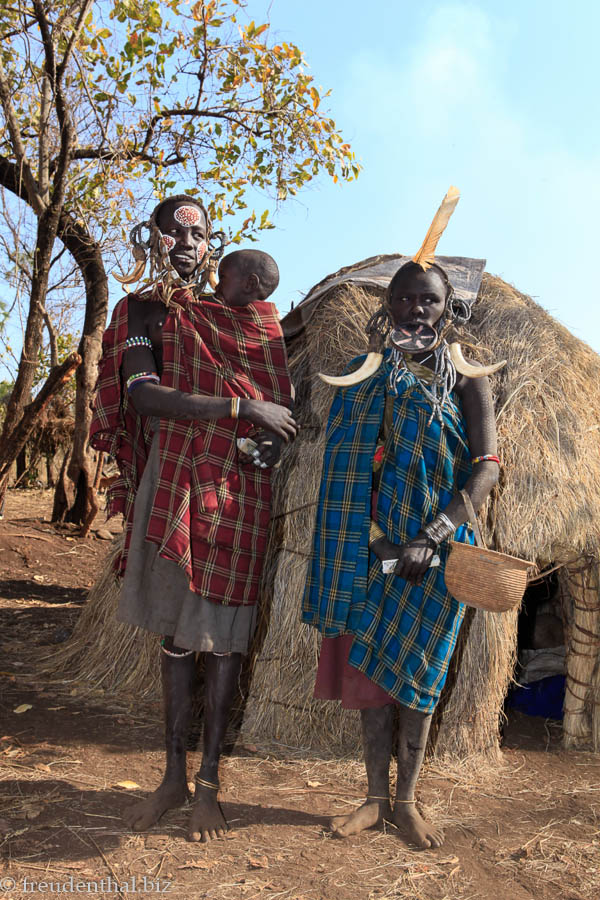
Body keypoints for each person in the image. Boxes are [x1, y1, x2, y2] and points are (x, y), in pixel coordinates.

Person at [90, 195, 296, 843]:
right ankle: (173, 777)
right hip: (176, 484)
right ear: (149, 236)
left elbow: (277, 398)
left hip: (241, 492)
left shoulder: (243, 316)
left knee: (228, 643)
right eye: (174, 231)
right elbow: (143, 395)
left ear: (214, 244)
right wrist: (240, 413)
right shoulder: (142, 309)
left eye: (200, 233)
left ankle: (208, 785)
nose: (188, 242)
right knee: (177, 642)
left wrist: (264, 428)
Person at [303, 192, 501, 849]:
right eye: (405, 299)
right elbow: (346, 478)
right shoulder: (364, 376)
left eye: (429, 301)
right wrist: (385, 543)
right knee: (371, 677)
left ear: (448, 311)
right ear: (388, 308)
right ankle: (370, 798)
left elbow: (485, 469)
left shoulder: (471, 378)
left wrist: (432, 536)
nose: (416, 309)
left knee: (419, 681)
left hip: (441, 550)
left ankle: (409, 801)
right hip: (377, 549)